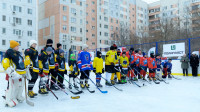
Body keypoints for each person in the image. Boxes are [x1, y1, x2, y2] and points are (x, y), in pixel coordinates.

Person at [2, 40, 26, 107]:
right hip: (14, 72)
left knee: (18, 86)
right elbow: (6, 62)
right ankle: (8, 99)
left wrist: (25, 69)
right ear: (13, 46)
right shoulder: (9, 52)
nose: (18, 47)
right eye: (17, 46)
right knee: (12, 87)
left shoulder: (17, 53)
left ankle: (16, 97)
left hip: (19, 72)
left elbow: (20, 62)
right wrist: (10, 71)